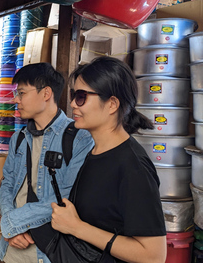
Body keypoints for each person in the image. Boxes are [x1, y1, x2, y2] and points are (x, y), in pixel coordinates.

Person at [49, 56, 167, 262]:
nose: (72, 104)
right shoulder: (95, 152)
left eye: (81, 96)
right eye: (73, 95)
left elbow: (154, 255)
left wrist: (77, 228)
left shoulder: (133, 166)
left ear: (112, 104)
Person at [0, 62, 94, 263]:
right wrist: (10, 228)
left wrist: (11, 224)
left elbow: (67, 197)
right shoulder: (19, 138)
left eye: (22, 93)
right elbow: (7, 183)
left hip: (49, 252)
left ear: (46, 93)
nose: (16, 99)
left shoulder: (79, 138)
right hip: (13, 249)